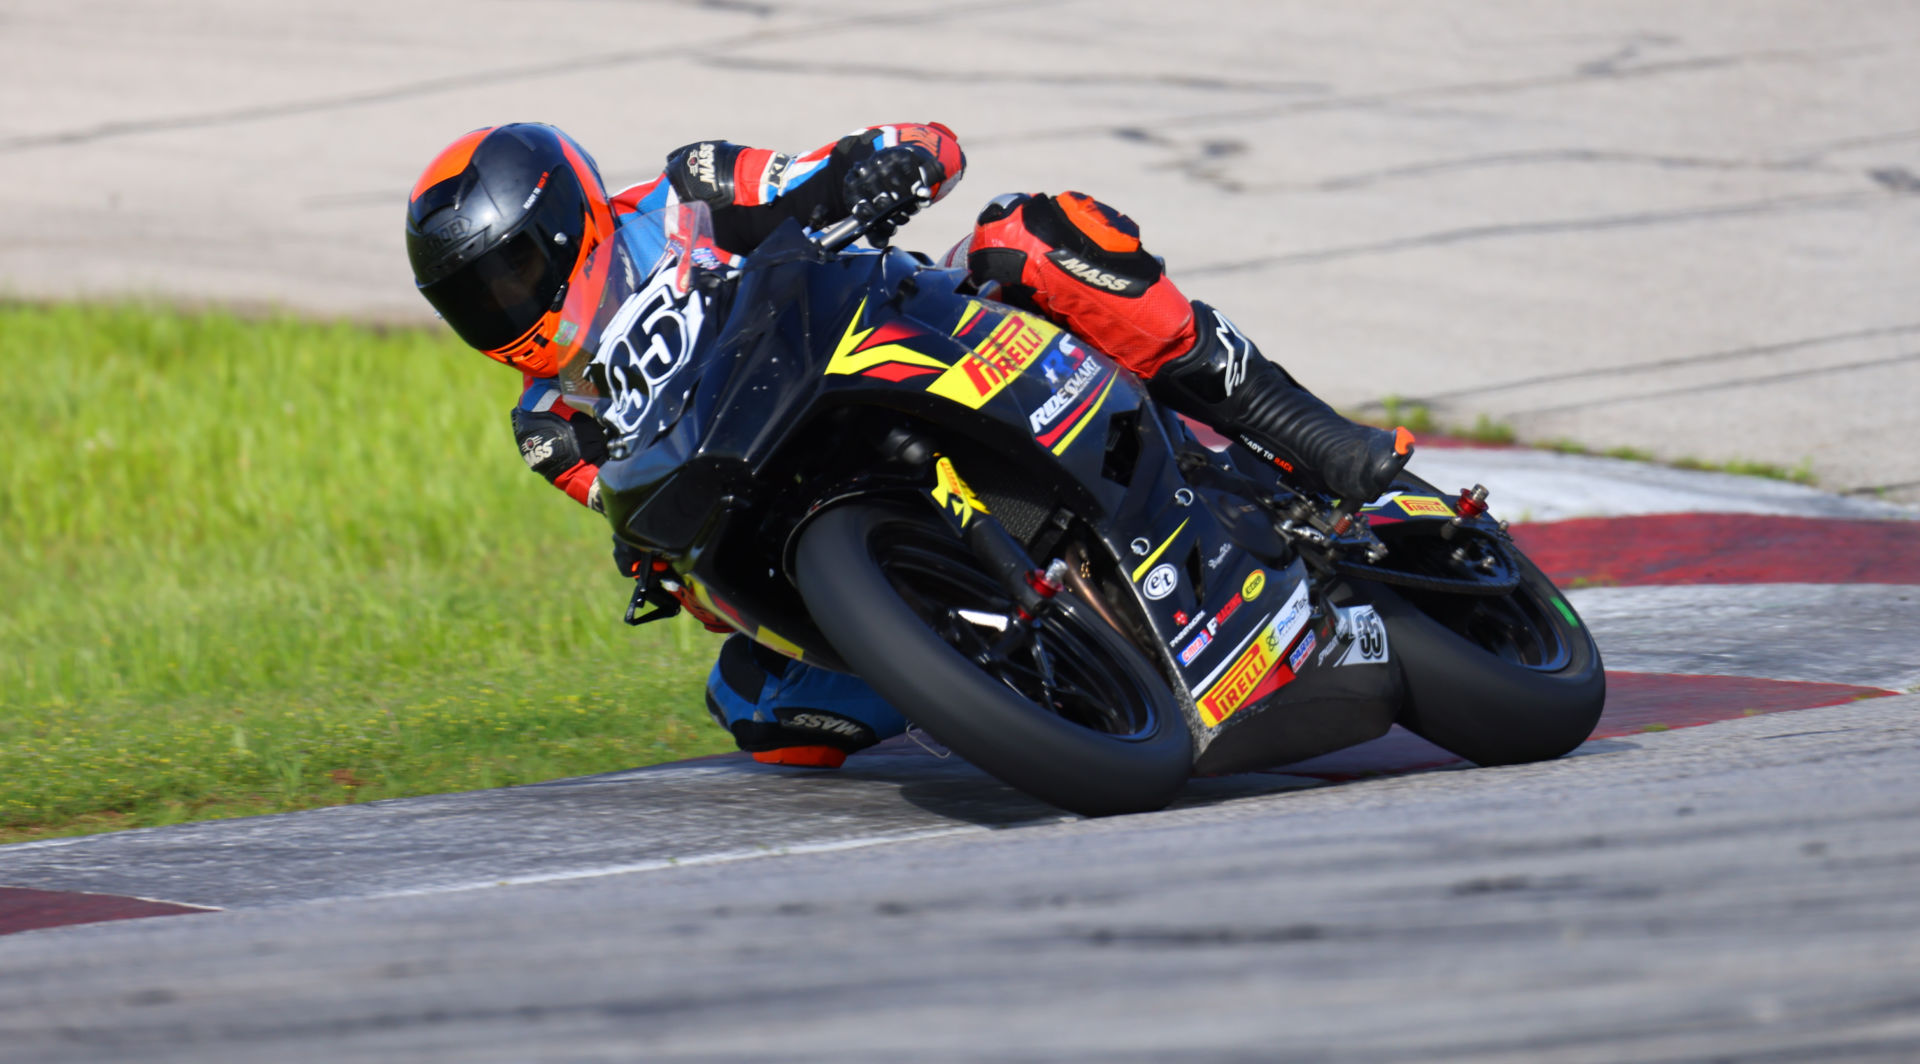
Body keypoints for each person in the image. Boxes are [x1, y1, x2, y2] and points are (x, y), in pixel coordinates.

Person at [404, 121, 1407, 768]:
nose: (510, 304)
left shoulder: (684, 193)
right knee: (763, 718)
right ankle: (1004, 670)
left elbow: (843, 162)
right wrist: (652, 559)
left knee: (1034, 236)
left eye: (516, 269)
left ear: (569, 215)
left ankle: (1312, 436)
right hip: (783, 490)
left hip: (896, 348)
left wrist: (887, 164)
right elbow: (639, 516)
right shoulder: (546, 421)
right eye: (476, 298)